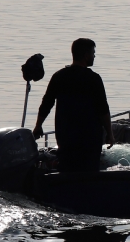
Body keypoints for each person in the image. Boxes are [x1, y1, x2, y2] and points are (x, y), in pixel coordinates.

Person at [32, 38, 114, 172]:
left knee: (67, 170)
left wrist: (38, 125)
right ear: (86, 55)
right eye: (93, 53)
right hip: (90, 137)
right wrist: (110, 133)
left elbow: (46, 103)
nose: (94, 56)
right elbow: (103, 109)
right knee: (89, 172)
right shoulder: (94, 79)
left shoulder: (59, 76)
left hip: (66, 135)